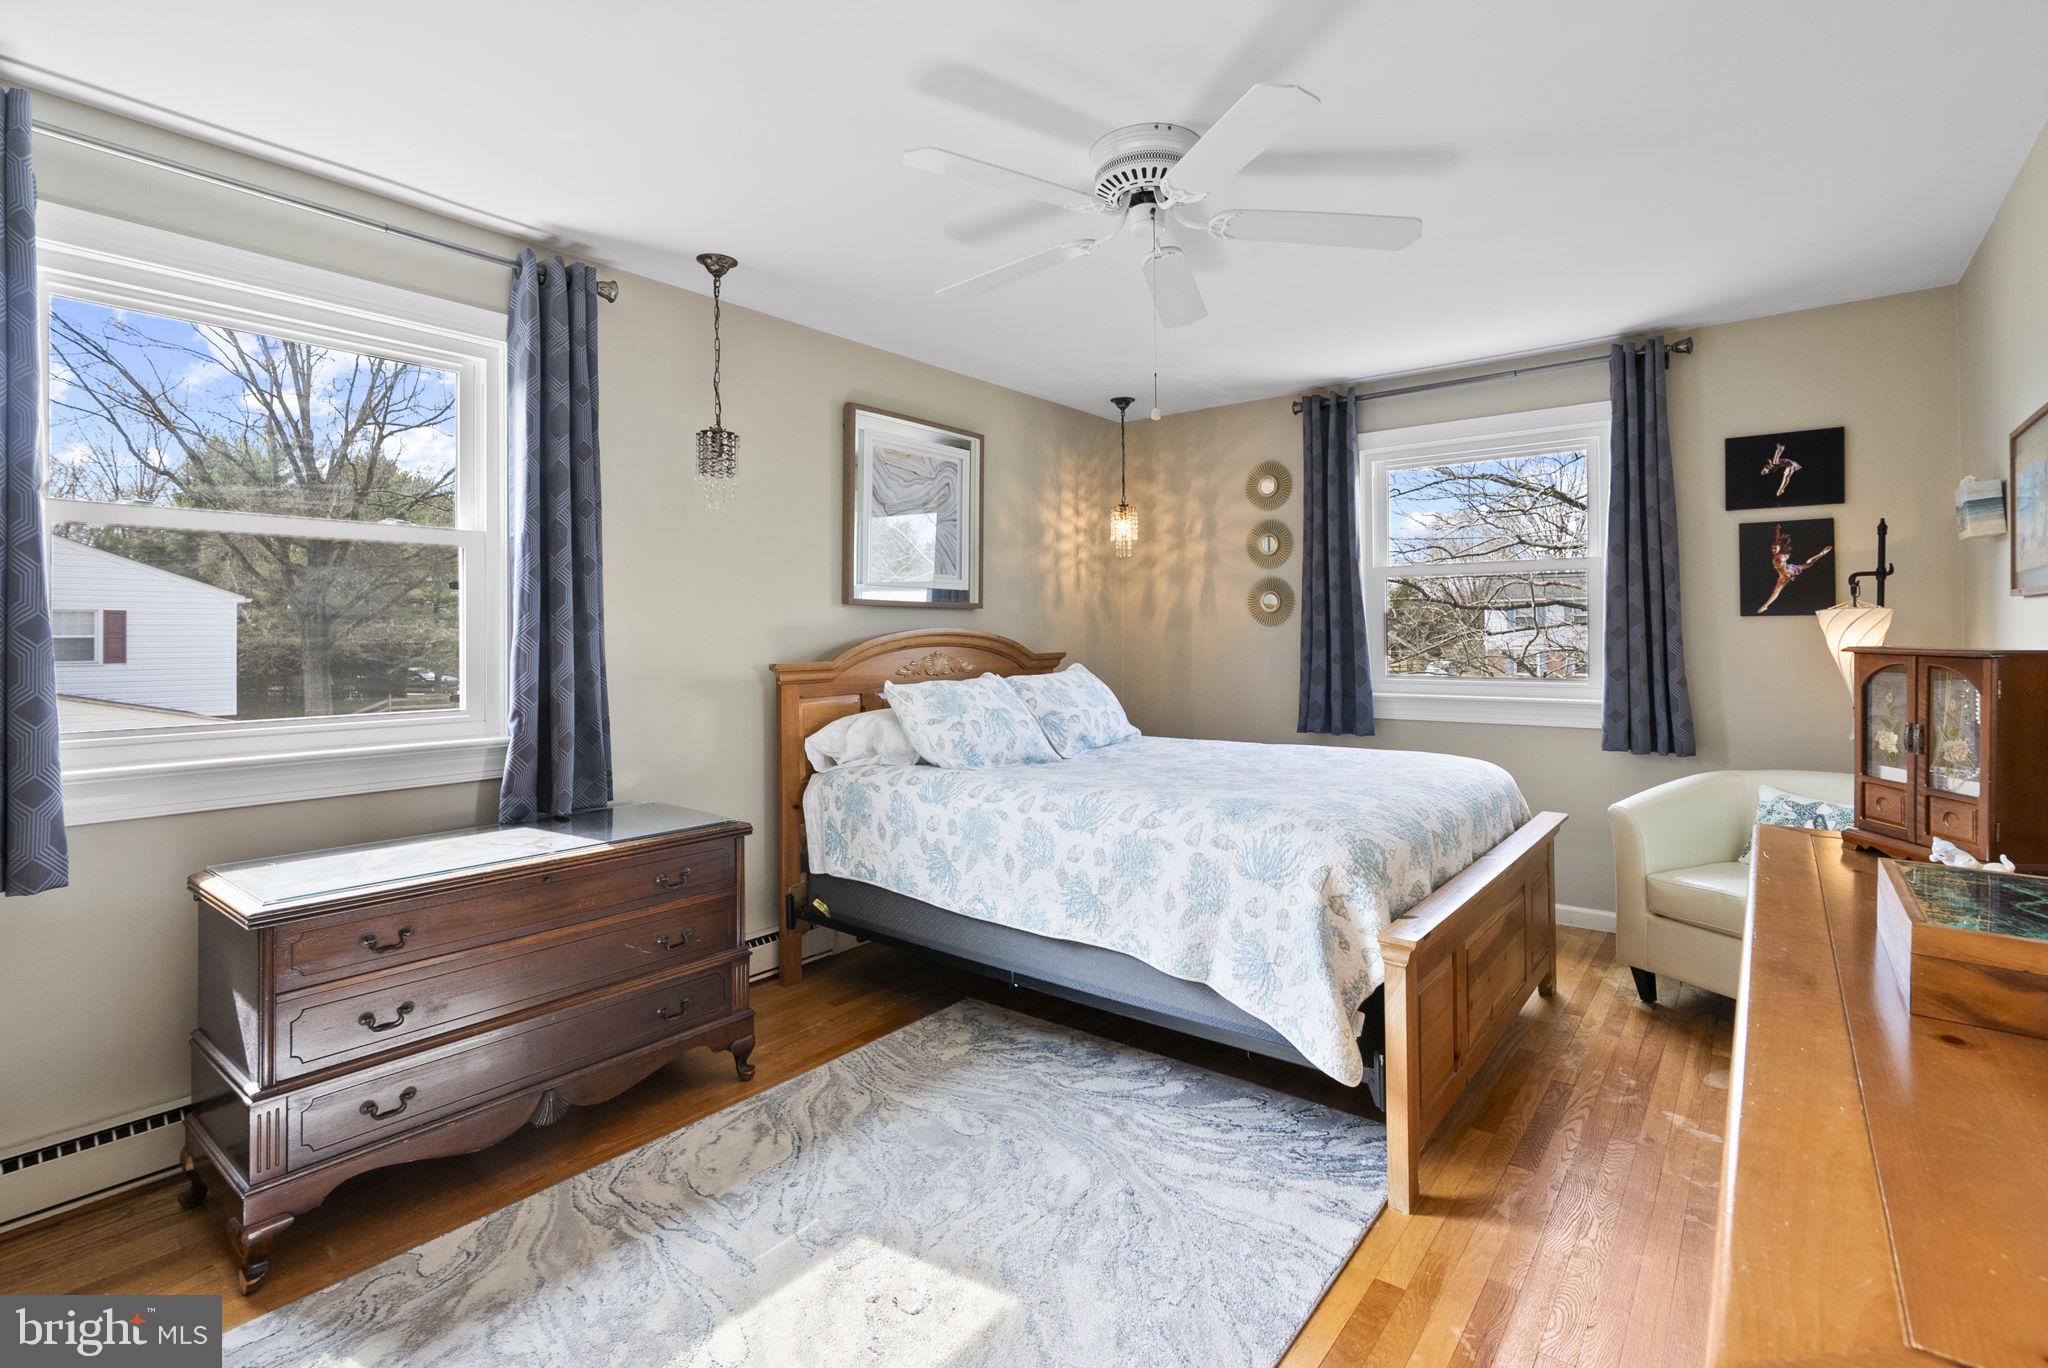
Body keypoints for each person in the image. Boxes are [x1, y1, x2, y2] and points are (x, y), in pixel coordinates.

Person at [1757, 523, 1832, 613]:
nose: (1772, 550)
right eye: (1772, 548)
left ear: (1779, 547)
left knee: (1808, 564)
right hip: (1786, 572)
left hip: (1788, 571)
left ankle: (1822, 553)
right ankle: (1766, 606)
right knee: (1777, 590)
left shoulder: (1779, 553)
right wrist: (1777, 530)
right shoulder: (1778, 554)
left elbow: (1777, 541)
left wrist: (1777, 530)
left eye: (1774, 548)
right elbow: (1777, 541)